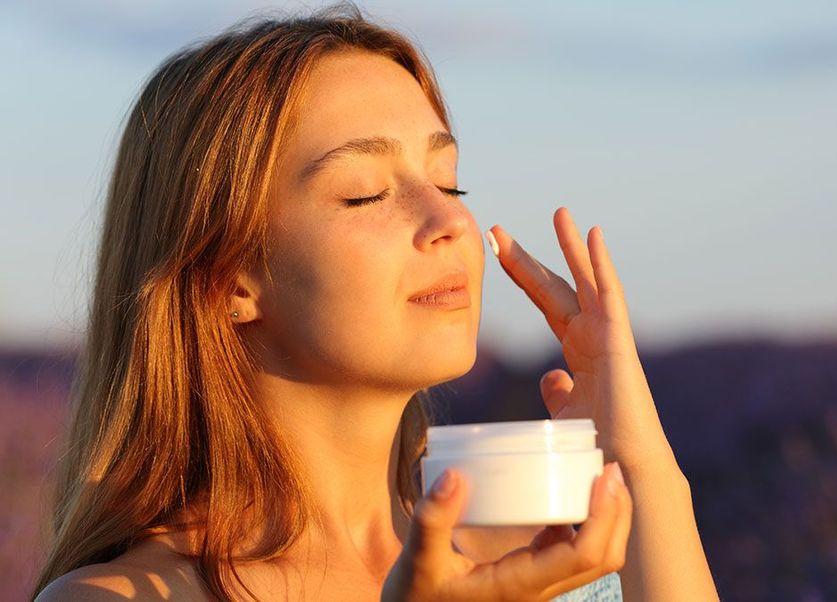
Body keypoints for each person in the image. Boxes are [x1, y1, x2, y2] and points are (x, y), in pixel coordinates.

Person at [33, 4, 719, 600]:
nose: (449, 223)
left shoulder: (552, 553)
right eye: (365, 192)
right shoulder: (127, 596)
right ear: (228, 280)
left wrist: (638, 460)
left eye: (450, 184)